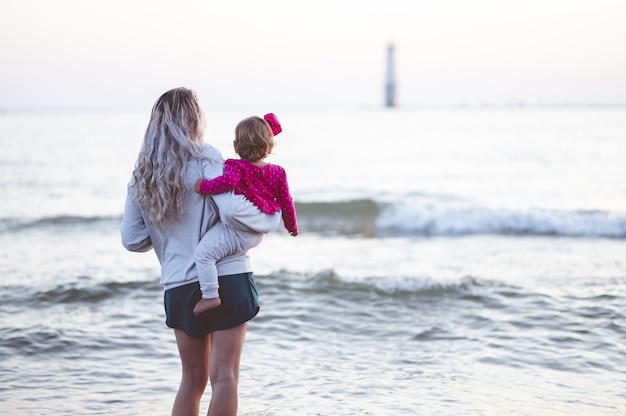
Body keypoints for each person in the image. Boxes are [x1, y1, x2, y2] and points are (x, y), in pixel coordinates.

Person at [121, 87, 277, 416]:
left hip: (179, 284)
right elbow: (232, 211)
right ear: (194, 119)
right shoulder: (207, 157)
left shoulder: (142, 176)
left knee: (191, 381)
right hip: (227, 276)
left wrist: (170, 236)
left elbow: (132, 239)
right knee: (225, 378)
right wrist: (268, 218)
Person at [192, 113, 298, 316]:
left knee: (203, 255)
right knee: (222, 251)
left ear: (235, 145)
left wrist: (203, 185)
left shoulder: (236, 166)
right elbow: (286, 201)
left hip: (236, 230)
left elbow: (226, 183)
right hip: (256, 234)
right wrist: (291, 226)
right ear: (270, 147)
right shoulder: (278, 172)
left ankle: (210, 295)